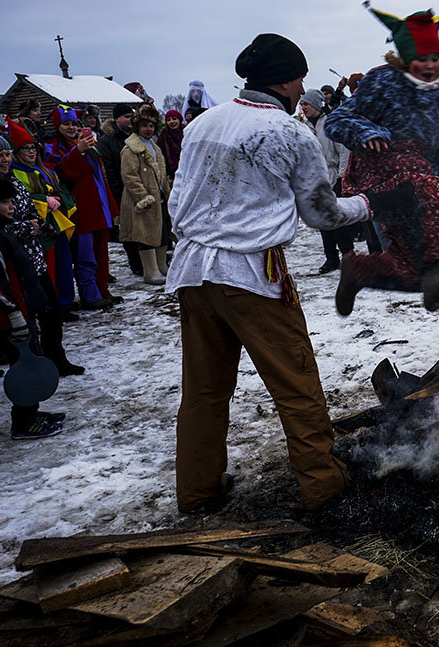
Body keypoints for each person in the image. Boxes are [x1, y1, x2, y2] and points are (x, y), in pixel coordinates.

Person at [166, 32, 407, 515]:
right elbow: (321, 214)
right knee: (296, 385)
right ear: (286, 80)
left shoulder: (203, 123)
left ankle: (197, 490)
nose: (303, 89)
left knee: (204, 390)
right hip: (252, 273)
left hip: (192, 271)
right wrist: (374, 203)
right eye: (300, 78)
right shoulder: (289, 132)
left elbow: (178, 199)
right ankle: (323, 486)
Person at [324, 6, 439, 316]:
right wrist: (365, 130)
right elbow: (337, 120)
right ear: (403, 58)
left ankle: (359, 270)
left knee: (412, 267)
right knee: (438, 196)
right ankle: (436, 272)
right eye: (422, 59)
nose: (429, 66)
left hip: (419, 178)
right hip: (380, 171)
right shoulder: (382, 82)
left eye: (434, 60)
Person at [0, 130, 82, 376]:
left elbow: (30, 208)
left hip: (33, 259)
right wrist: (29, 226)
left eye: (7, 154)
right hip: (12, 268)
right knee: (27, 325)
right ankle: (35, 374)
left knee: (52, 311)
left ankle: (56, 360)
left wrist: (37, 220)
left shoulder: (13, 179)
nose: (5, 160)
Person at [0, 174, 66, 439]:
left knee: (31, 356)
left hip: (21, 311)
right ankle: (24, 421)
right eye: (5, 202)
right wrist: (14, 314)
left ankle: (31, 412)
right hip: (10, 317)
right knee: (24, 365)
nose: (12, 206)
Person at [7, 117, 81, 326]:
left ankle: (65, 303)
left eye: (33, 148)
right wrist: (43, 201)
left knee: (64, 265)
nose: (31, 152)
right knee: (48, 268)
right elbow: (19, 200)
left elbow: (62, 190)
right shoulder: (14, 173)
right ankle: (52, 306)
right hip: (38, 229)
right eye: (25, 149)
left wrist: (61, 200)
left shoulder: (46, 170)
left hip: (57, 224)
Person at [45, 106, 120, 309]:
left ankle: (102, 289)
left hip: (98, 205)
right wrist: (77, 151)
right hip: (79, 210)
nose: (70, 128)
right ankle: (90, 295)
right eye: (65, 124)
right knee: (85, 255)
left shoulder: (89, 145)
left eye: (73, 124)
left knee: (101, 254)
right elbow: (61, 174)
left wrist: (111, 208)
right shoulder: (52, 147)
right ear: (57, 126)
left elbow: (99, 176)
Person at [300, 88, 355, 274]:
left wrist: (341, 177)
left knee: (338, 220)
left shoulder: (331, 123)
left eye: (306, 103)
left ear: (316, 104)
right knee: (323, 221)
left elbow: (344, 151)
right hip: (316, 180)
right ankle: (331, 258)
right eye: (301, 104)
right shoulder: (305, 127)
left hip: (334, 176)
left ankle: (348, 255)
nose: (303, 107)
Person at [120, 107, 171, 286]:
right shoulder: (131, 149)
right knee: (146, 235)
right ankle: (150, 272)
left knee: (162, 233)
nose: (148, 129)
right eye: (144, 125)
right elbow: (129, 176)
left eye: (151, 125)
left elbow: (161, 173)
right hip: (143, 200)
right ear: (137, 127)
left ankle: (162, 267)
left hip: (159, 198)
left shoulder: (154, 147)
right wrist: (142, 196)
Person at [97, 103, 143, 277]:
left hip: (139, 189)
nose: (130, 119)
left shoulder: (136, 136)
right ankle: (136, 263)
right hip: (120, 192)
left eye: (131, 115)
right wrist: (117, 194)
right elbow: (107, 170)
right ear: (116, 119)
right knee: (128, 230)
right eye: (126, 116)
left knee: (143, 227)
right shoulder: (107, 140)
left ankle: (147, 260)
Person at [157, 109, 184, 179]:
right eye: (169, 120)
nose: (172, 121)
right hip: (170, 174)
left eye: (174, 119)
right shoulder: (163, 136)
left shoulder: (186, 132)